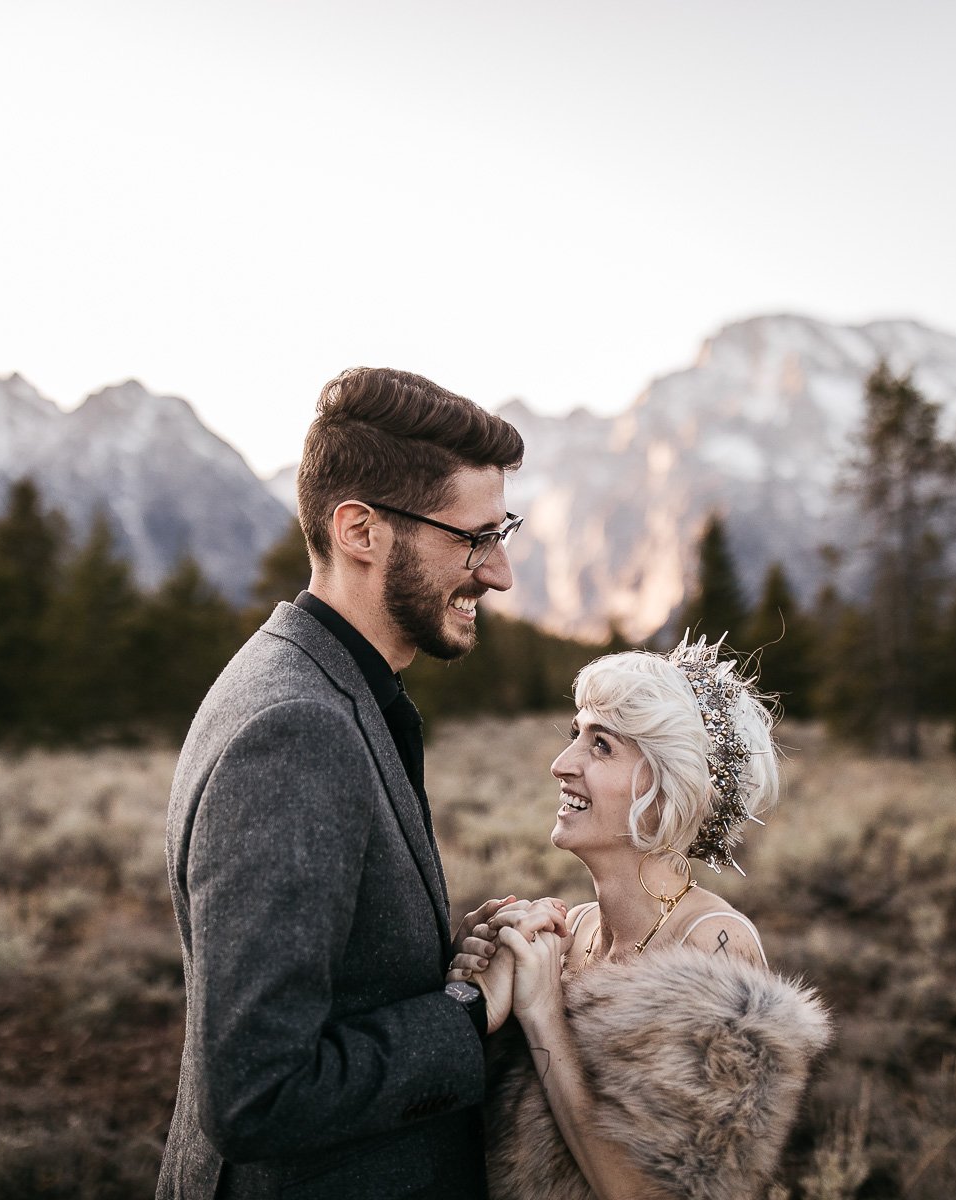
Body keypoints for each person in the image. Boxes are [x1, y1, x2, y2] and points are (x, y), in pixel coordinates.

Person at [157, 367, 565, 1200]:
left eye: (504, 532)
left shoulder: (321, 684)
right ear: (360, 531)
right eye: (474, 538)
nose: (499, 574)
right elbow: (257, 1092)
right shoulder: (295, 729)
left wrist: (451, 967)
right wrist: (468, 1013)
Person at [448, 640, 832, 1200]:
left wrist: (542, 1013)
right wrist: (473, 998)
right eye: (575, 734)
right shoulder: (569, 930)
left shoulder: (713, 950)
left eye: (600, 745)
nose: (562, 763)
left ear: (667, 789)